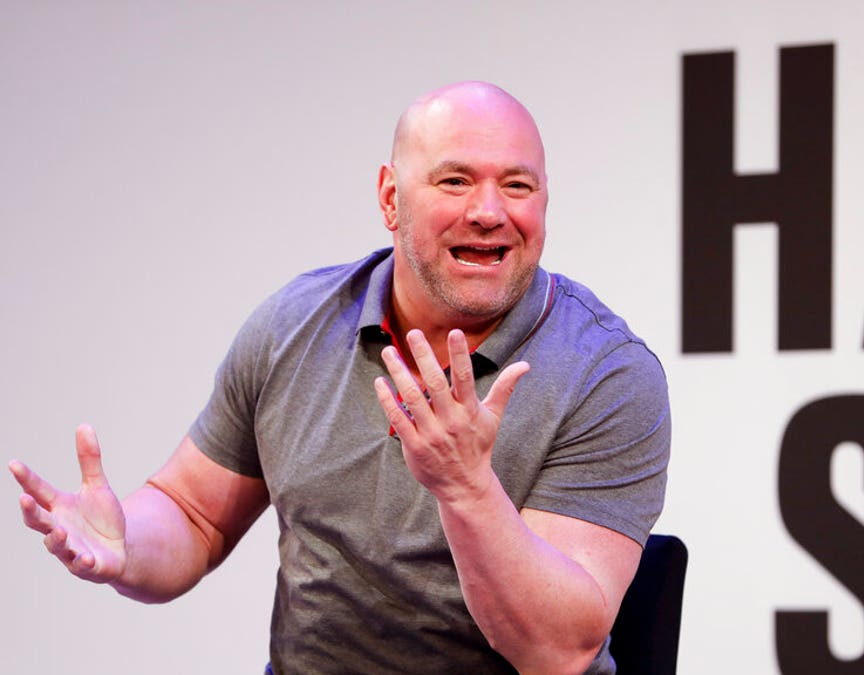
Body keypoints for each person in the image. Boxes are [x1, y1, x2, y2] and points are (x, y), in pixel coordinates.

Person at [9, 81, 671, 674]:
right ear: (391, 197)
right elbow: (193, 513)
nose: (489, 210)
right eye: (454, 181)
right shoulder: (293, 326)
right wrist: (126, 544)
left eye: (518, 185)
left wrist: (467, 488)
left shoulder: (607, 373)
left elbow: (557, 651)